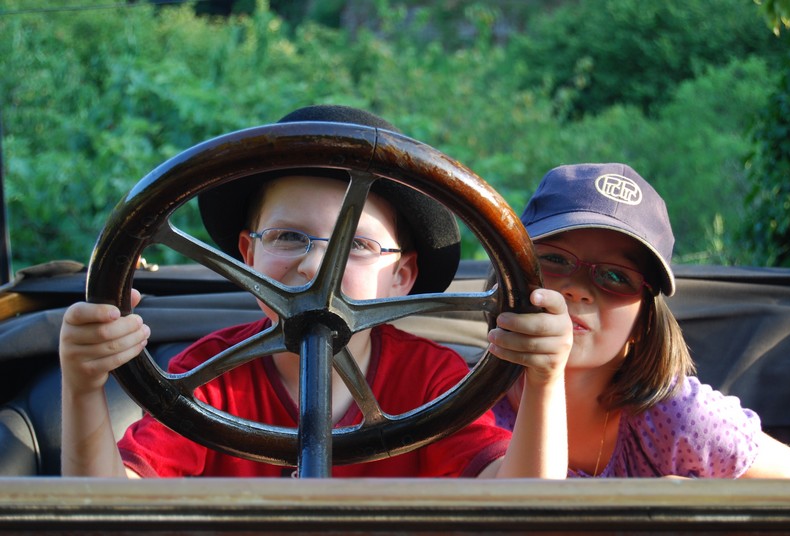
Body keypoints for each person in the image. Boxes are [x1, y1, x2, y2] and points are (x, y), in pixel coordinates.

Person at [59, 104, 514, 478]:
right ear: (247, 256)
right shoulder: (209, 376)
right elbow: (114, 509)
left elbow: (516, 506)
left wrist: (544, 379)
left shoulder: (432, 381)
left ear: (402, 275)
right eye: (289, 237)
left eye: (356, 244)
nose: (314, 266)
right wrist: (83, 386)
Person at [488, 162, 790, 478]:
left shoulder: (681, 418)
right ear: (510, 271)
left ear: (644, 321)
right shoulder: (469, 405)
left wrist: (705, 504)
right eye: (555, 259)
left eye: (616, 276)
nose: (579, 289)